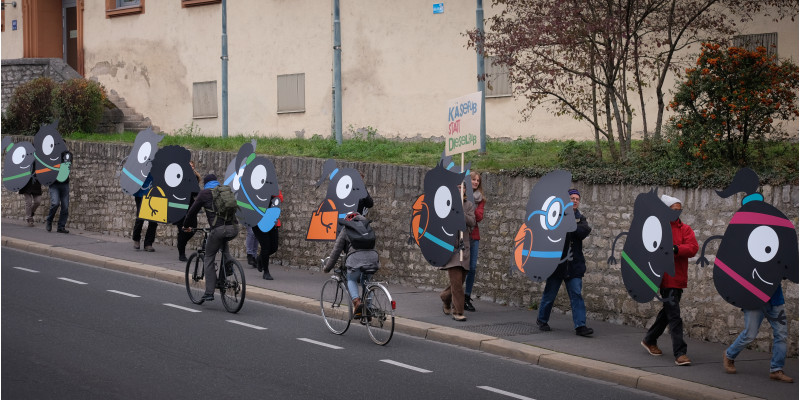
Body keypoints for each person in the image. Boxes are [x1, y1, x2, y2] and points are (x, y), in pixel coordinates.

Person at [641, 194, 698, 366]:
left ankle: (649, 339)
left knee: (667, 313)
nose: (677, 212)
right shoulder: (659, 227)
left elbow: (693, 248)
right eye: (674, 210)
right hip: (665, 277)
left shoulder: (685, 229)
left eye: (679, 210)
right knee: (674, 315)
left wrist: (675, 248)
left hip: (678, 277)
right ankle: (680, 353)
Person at [536, 188, 593, 336]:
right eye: (572, 198)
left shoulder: (581, 218)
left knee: (576, 294)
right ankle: (542, 320)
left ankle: (580, 326)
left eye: (577, 199)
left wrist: (569, 226)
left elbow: (584, 231)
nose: (574, 201)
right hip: (557, 264)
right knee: (550, 294)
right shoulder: (556, 215)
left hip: (574, 264)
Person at [183, 174, 239, 302]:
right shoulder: (224, 191)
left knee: (208, 257)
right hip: (234, 228)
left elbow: (192, 212)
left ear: (206, 183)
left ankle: (209, 293)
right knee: (224, 249)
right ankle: (228, 267)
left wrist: (186, 226)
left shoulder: (204, 193)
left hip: (218, 230)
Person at [723, 286, 793, 382]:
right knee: (750, 334)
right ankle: (729, 355)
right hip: (753, 298)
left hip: (775, 299)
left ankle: (776, 370)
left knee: (781, 335)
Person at [323, 212, 379, 317]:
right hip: (373, 258)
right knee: (366, 282)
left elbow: (336, 252)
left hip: (355, 259)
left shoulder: (346, 229)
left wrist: (327, 267)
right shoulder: (367, 226)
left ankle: (357, 303)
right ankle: (368, 310)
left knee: (351, 279)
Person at [440, 185, 476, 322]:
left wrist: (462, 213)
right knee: (456, 282)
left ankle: (445, 296)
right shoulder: (446, 204)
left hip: (464, 248)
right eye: (458, 187)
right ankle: (458, 311)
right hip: (451, 248)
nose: (461, 189)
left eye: (463, 187)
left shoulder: (468, 205)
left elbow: (472, 222)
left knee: (460, 281)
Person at [464, 171, 485, 312]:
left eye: (478, 180)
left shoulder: (480, 199)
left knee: (472, 267)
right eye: (473, 179)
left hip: (474, 236)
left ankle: (466, 296)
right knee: (459, 267)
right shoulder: (462, 195)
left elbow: (478, 217)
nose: (476, 182)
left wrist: (470, 208)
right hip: (462, 234)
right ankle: (455, 295)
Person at [253, 190, 283, 280]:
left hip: (272, 220)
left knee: (274, 247)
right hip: (258, 222)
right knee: (265, 247)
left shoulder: (272, 187)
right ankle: (266, 272)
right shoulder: (255, 187)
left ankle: (260, 258)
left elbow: (280, 198)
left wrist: (271, 192)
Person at [176, 161, 202, 262]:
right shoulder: (179, 177)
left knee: (193, 229)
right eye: (188, 166)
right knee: (183, 230)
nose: (190, 167)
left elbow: (196, 192)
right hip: (179, 208)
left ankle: (181, 243)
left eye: (192, 166)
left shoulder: (195, 178)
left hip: (190, 208)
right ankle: (181, 253)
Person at [132, 174, 158, 252]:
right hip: (141, 192)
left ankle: (148, 243)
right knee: (140, 218)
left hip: (154, 193)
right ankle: (136, 239)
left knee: (154, 220)